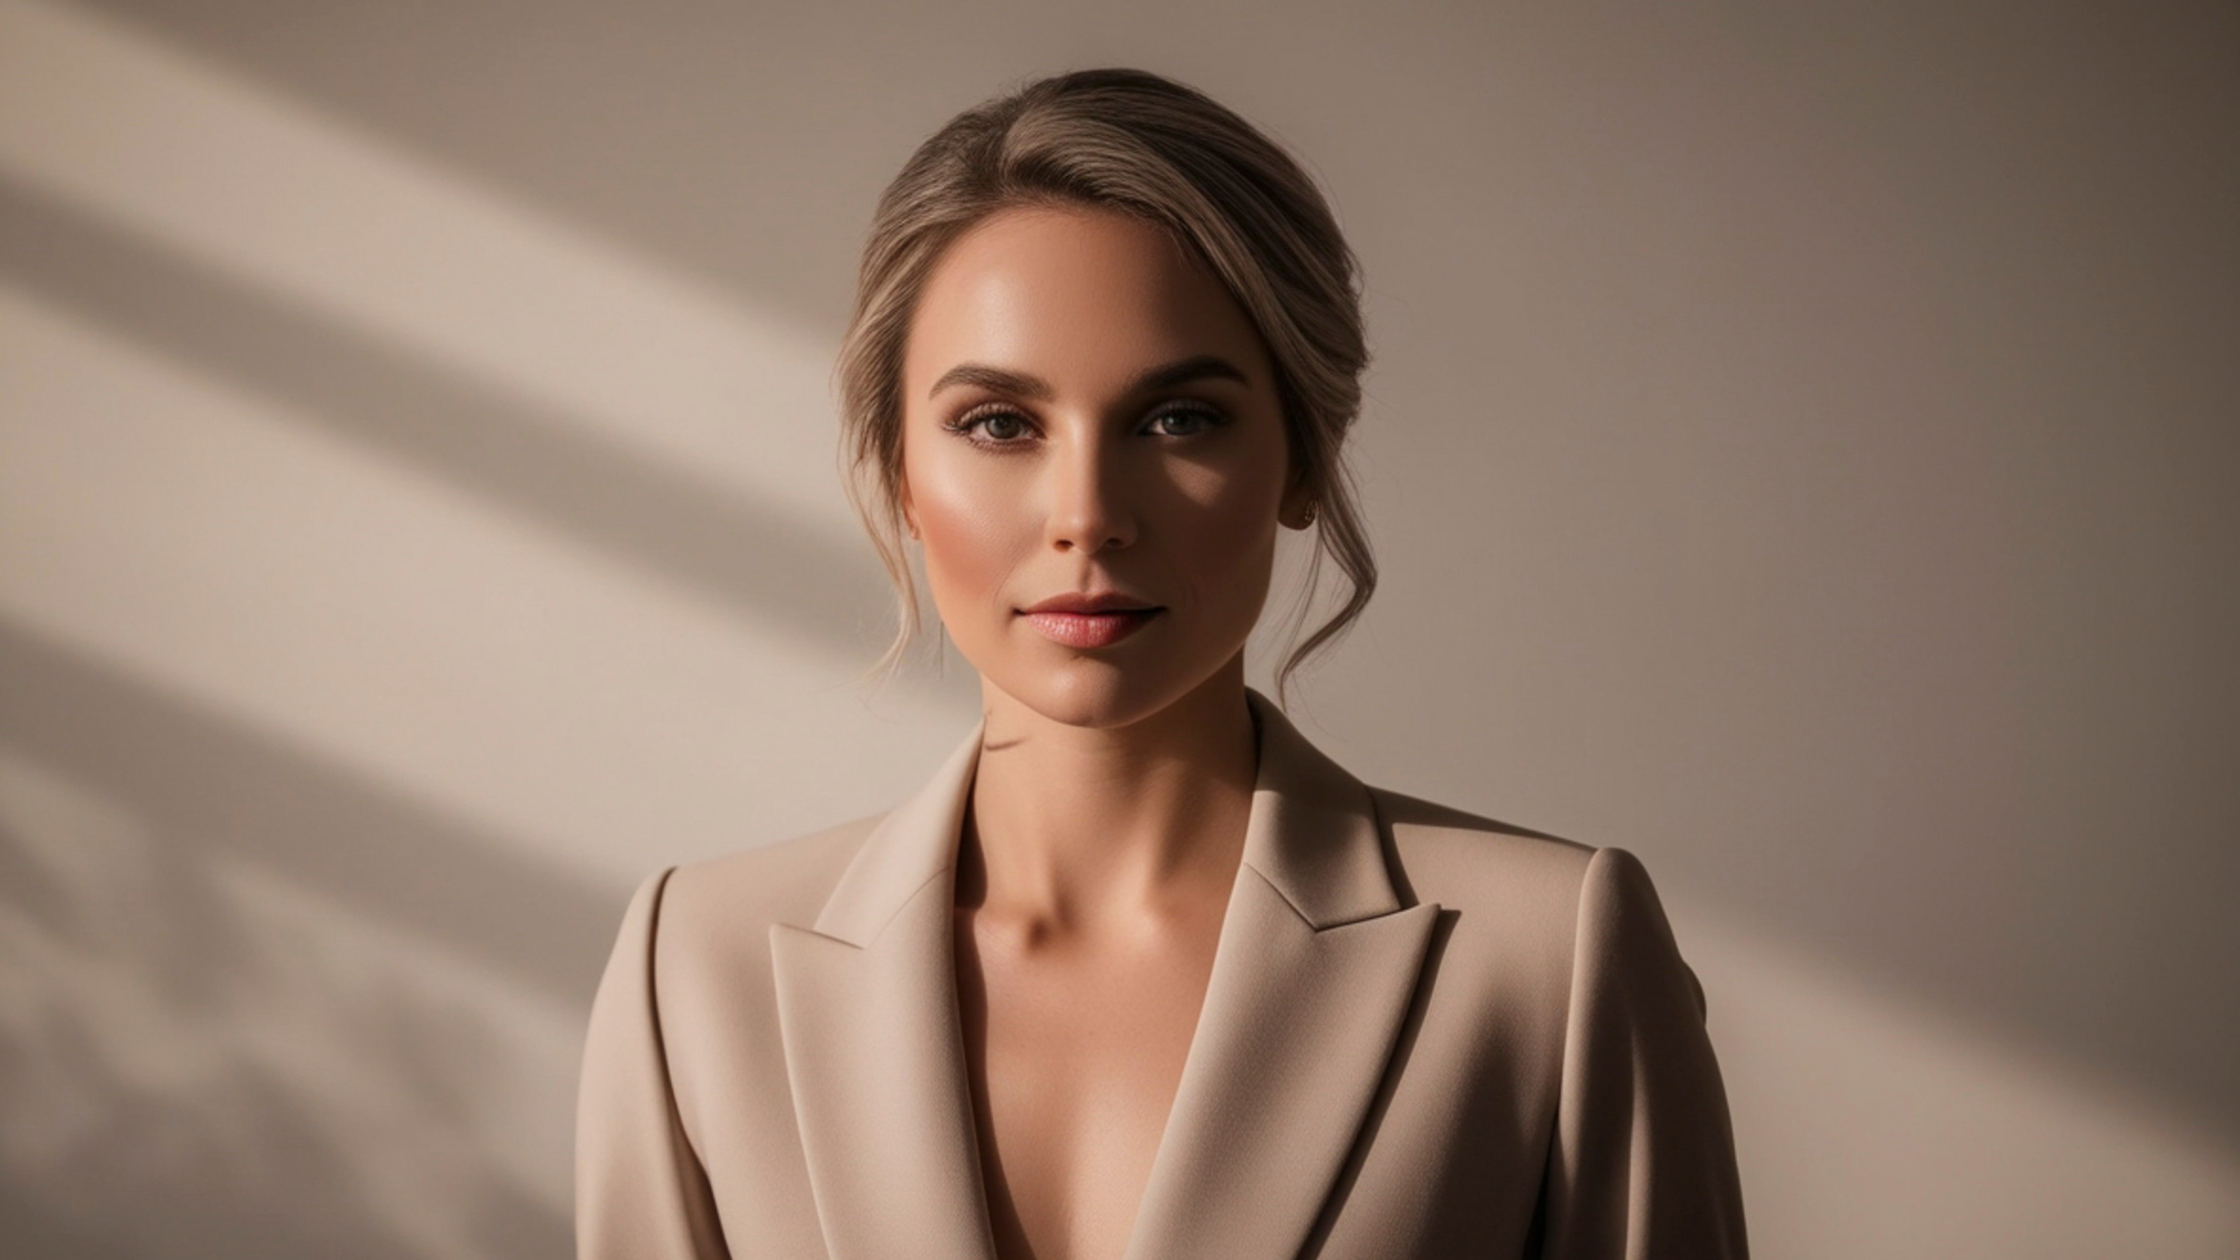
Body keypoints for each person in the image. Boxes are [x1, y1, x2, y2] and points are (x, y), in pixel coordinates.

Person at [575, 68, 1748, 1260]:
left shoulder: (1550, 957)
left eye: (1177, 419)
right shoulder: (697, 967)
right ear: (896, 473)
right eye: (998, 423)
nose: (1087, 514)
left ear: (1302, 459)